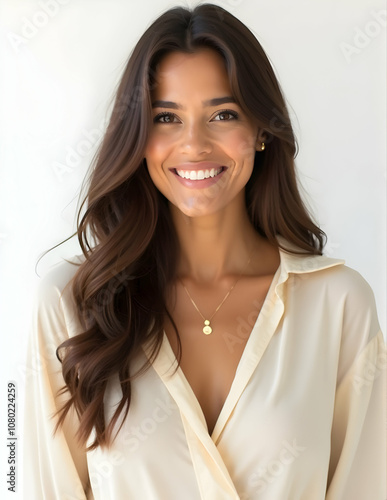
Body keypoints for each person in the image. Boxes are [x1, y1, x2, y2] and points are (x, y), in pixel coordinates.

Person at [23, 3, 386, 499]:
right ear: (138, 137)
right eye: (166, 117)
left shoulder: (340, 305)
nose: (194, 145)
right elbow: (37, 485)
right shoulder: (70, 303)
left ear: (261, 131)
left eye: (223, 114)